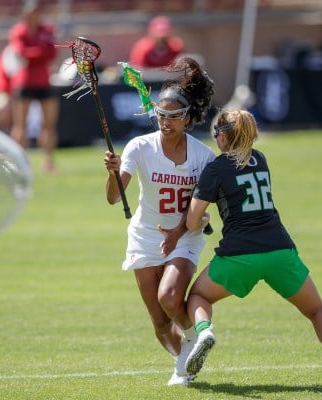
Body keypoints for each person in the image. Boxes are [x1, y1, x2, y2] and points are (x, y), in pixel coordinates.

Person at [182, 109, 322, 386]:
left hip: (239, 255)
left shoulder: (216, 168)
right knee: (317, 310)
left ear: (222, 137)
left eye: (216, 134)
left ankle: (205, 331)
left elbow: (192, 221)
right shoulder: (261, 159)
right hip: (280, 250)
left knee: (198, 296)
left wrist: (202, 218)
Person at [103, 57, 215, 386]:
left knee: (169, 298)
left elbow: (206, 205)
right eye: (161, 115)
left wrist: (198, 219)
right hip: (144, 236)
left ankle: (197, 338)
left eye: (173, 116)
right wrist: (112, 171)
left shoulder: (202, 156)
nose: (165, 122)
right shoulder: (140, 146)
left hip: (185, 236)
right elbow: (113, 197)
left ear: (188, 118)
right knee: (159, 322)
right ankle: (187, 364)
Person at [7, 0, 59, 173]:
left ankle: (49, 161)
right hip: (24, 82)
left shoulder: (47, 29)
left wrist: (34, 53)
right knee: (21, 125)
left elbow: (52, 52)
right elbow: (21, 53)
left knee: (49, 124)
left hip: (44, 81)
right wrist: (40, 52)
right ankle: (20, 162)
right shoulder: (19, 31)